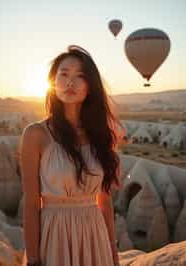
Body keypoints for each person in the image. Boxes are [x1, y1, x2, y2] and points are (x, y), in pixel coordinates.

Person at [19, 45, 123, 266]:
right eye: (64, 74)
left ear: (90, 87)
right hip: (54, 235)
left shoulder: (101, 135)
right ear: (53, 83)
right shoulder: (36, 134)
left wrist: (113, 254)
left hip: (95, 237)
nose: (70, 83)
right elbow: (31, 203)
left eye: (80, 76)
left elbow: (104, 201)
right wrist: (34, 259)